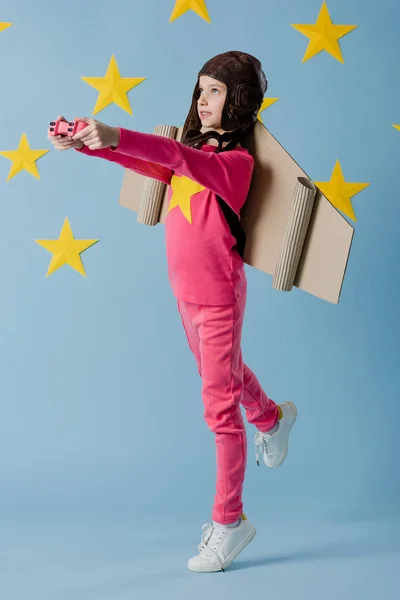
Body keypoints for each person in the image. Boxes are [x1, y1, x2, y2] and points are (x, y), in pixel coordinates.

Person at [48, 50, 297, 573]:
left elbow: (181, 160)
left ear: (239, 101)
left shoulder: (234, 163)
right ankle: (272, 418)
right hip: (183, 294)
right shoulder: (191, 149)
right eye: (200, 89)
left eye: (215, 90)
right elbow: (151, 163)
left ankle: (231, 523)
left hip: (218, 297)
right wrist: (87, 145)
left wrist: (117, 131)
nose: (203, 100)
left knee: (219, 409)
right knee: (224, 376)